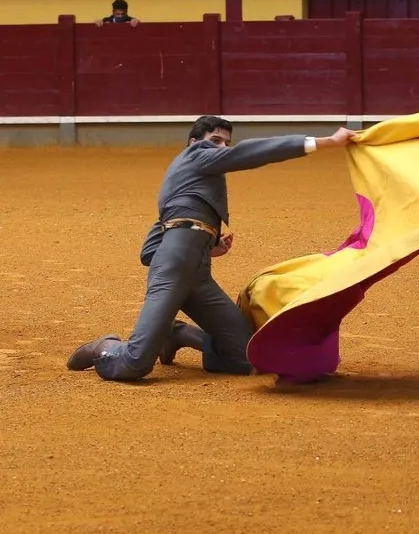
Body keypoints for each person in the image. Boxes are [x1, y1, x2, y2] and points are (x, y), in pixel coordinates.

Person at [67, 116, 357, 382]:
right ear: (193, 143)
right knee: (135, 363)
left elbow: (148, 253)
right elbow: (251, 153)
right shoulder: (195, 157)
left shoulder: (190, 179)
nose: (221, 148)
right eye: (215, 141)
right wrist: (324, 143)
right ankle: (104, 346)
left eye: (225, 143)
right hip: (177, 268)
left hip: (196, 271)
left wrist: (202, 245)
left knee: (246, 357)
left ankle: (177, 333)